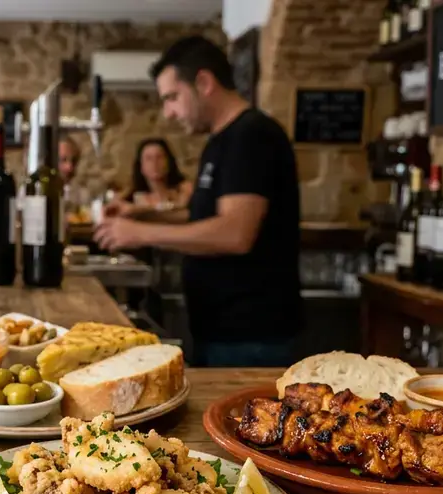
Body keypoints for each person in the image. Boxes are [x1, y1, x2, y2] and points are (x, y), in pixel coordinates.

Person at [94, 36, 302, 368]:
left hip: (251, 337)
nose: (169, 112)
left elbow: (235, 233)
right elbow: (201, 215)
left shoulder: (252, 136)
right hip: (220, 329)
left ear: (204, 82)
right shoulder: (220, 141)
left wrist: (140, 233)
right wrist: (141, 213)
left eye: (172, 97)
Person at [121, 138, 193, 210]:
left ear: (169, 162)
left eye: (159, 157)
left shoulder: (184, 191)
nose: (154, 163)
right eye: (149, 158)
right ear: (141, 166)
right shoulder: (134, 199)